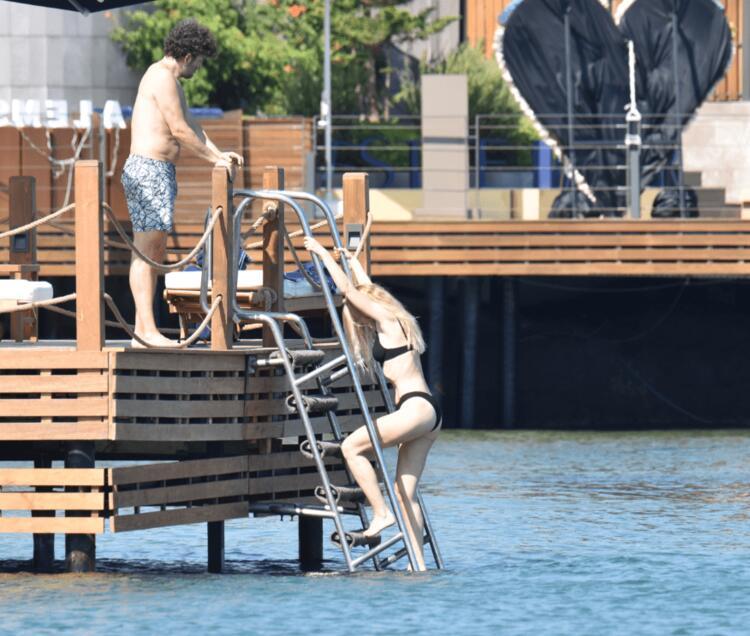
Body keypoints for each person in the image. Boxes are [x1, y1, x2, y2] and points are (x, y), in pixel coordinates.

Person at [303, 236, 441, 571]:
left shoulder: (389, 323)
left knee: (351, 448)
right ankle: (419, 565)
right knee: (404, 491)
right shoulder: (399, 320)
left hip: (414, 409)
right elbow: (366, 290)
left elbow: (350, 292)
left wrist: (321, 253)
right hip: (429, 413)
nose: (361, 321)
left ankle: (381, 514)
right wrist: (353, 262)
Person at [121, 19, 244, 347]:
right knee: (146, 250)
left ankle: (143, 329)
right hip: (148, 170)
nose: (199, 68)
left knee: (153, 250)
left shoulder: (171, 81)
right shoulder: (161, 77)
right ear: (188, 56)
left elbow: (191, 124)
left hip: (159, 171)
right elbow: (179, 130)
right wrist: (213, 160)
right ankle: (145, 332)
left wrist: (219, 154)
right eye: (199, 61)